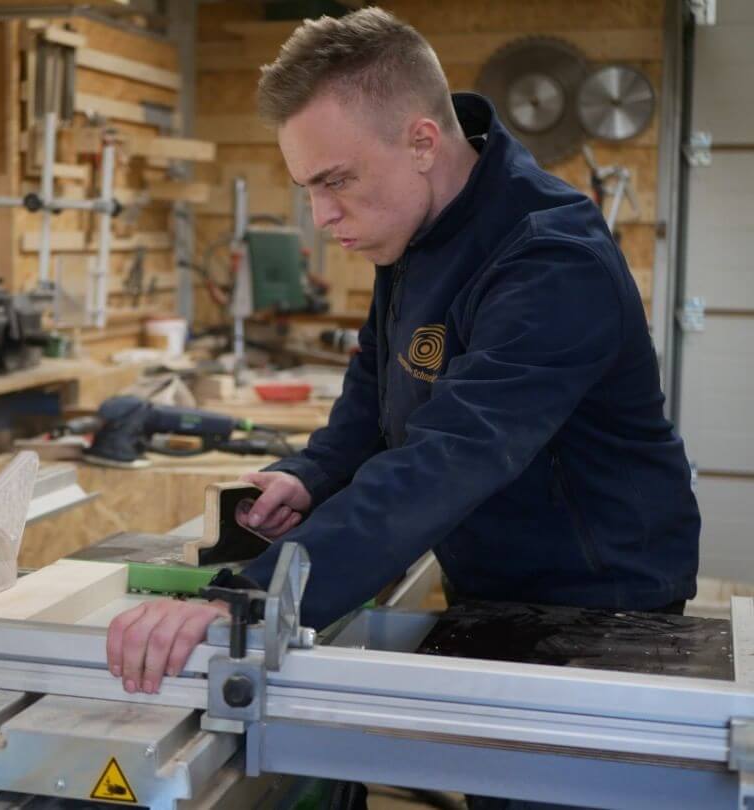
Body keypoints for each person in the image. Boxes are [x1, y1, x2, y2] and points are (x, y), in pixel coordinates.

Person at [107, 6, 700, 787]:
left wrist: (248, 601)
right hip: (494, 587)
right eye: (306, 188)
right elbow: (376, 391)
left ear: (422, 141)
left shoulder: (552, 260)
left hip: (600, 611)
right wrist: (313, 473)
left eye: (335, 182)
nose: (320, 219)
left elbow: (449, 455)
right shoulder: (417, 225)